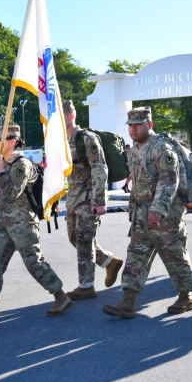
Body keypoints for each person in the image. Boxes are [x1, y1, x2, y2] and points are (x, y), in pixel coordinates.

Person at [0, 125, 72, 320]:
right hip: (5, 222)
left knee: (34, 263)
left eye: (0, 140)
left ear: (13, 141)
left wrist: (3, 172)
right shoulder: (3, 162)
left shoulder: (21, 164)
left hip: (23, 224)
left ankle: (61, 296)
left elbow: (13, 192)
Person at [103, 107, 192, 318]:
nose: (133, 130)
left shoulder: (161, 148)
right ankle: (127, 300)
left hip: (165, 215)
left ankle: (186, 296)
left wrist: (158, 210)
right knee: (135, 255)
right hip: (142, 214)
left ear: (149, 125)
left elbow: (169, 181)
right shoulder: (136, 149)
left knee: (174, 255)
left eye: (138, 125)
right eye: (130, 126)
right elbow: (137, 182)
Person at [61, 99, 123, 300]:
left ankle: (86, 286)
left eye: (60, 117)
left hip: (88, 198)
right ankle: (109, 262)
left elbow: (99, 167)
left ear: (71, 115)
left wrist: (99, 200)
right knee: (74, 239)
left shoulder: (87, 138)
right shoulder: (61, 141)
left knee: (84, 241)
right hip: (73, 198)